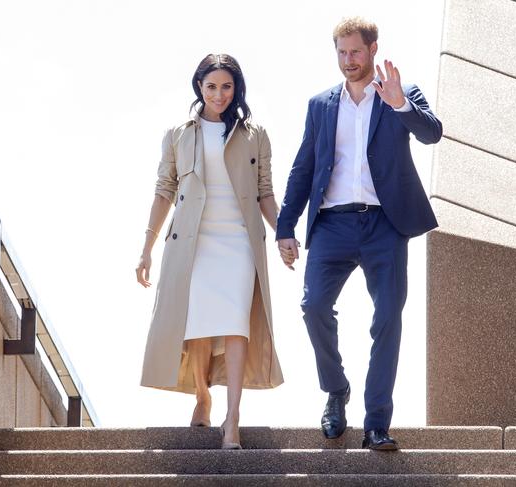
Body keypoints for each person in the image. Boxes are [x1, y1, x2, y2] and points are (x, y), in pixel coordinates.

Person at [276, 17, 442, 450]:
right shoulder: (321, 105)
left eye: (355, 51)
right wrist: (285, 226)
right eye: (341, 53)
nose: (348, 61)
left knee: (387, 318)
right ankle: (336, 391)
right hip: (332, 224)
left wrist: (401, 103)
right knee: (313, 307)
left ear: (372, 50)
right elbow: (303, 167)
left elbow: (432, 133)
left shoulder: (399, 95)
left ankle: (376, 424)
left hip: (385, 225)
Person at [136, 53, 283, 450]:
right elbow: (164, 191)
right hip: (192, 242)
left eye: (227, 86)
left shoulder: (255, 134)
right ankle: (203, 394)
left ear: (237, 89)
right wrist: (147, 246)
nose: (219, 94)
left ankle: (232, 419)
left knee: (236, 326)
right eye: (211, 86)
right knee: (197, 327)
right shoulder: (178, 135)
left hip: (238, 240)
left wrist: (284, 232)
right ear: (199, 87)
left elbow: (265, 192)